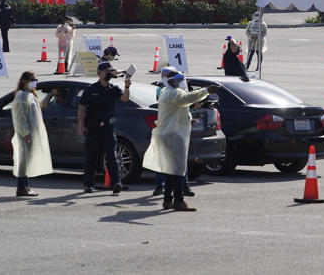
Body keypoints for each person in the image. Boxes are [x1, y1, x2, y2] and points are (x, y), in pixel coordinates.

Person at [143, 73, 219, 211]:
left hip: (169, 133)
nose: (181, 81)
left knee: (171, 170)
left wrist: (187, 118)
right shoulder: (173, 93)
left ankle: (168, 200)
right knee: (178, 170)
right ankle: (179, 200)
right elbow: (186, 99)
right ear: (172, 81)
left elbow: (177, 109)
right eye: (179, 79)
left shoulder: (167, 92)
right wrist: (206, 91)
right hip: (174, 135)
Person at [78, 61, 131, 193]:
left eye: (110, 71)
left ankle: (116, 183)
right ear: (99, 73)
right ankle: (88, 184)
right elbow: (81, 107)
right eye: (106, 71)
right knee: (91, 158)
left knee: (112, 157)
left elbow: (124, 99)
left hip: (107, 128)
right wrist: (81, 125)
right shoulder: (91, 89)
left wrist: (127, 87)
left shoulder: (113, 89)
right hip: (92, 128)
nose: (108, 74)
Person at [10, 71, 53, 197]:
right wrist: (25, 133)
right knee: (23, 161)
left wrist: (51, 94)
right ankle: (21, 187)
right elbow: (20, 118)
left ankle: (25, 186)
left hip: (32, 134)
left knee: (27, 161)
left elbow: (40, 108)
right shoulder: (21, 96)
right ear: (25, 81)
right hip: (25, 135)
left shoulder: (30, 95)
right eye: (33, 79)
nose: (35, 82)